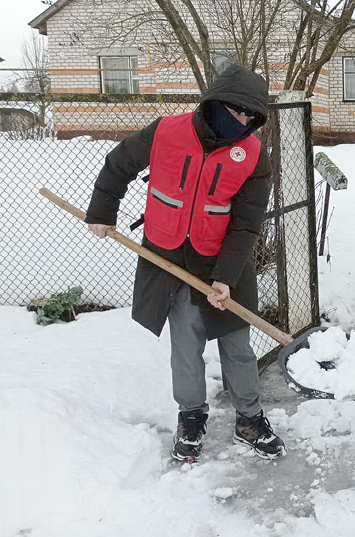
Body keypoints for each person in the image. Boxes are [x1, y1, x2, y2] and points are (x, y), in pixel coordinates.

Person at [85, 64, 285, 463]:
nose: (243, 122)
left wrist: (226, 278)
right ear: (215, 104)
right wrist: (102, 212)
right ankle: (191, 416)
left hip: (226, 260)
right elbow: (117, 165)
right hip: (169, 254)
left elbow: (246, 225)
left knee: (237, 344)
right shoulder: (165, 132)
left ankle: (249, 420)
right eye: (237, 112)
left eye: (251, 116)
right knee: (186, 341)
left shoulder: (254, 157)